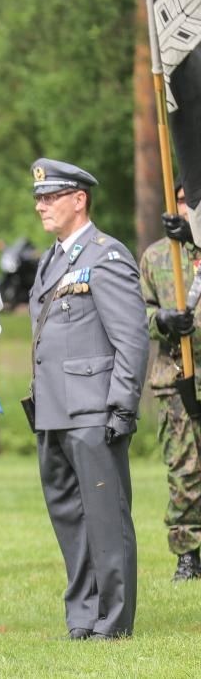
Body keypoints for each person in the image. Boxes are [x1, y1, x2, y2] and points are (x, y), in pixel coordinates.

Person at [26, 158, 148, 640]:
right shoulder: (52, 260)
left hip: (94, 411)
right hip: (53, 411)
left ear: (79, 200)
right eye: (39, 198)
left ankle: (114, 620)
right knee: (70, 522)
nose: (41, 205)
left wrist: (121, 406)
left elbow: (131, 340)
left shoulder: (107, 257)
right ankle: (83, 616)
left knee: (105, 518)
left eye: (51, 196)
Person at [139, 181, 201, 581]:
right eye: (180, 200)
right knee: (184, 467)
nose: (184, 207)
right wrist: (161, 320)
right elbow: (137, 314)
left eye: (191, 202)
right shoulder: (157, 256)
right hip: (176, 377)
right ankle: (188, 552)